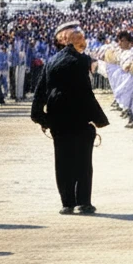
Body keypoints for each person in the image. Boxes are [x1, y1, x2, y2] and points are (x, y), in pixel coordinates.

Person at [30, 21, 110, 215]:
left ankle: (67, 203)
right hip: (79, 119)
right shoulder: (81, 61)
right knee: (83, 162)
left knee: (63, 162)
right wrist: (98, 119)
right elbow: (85, 92)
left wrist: (42, 118)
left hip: (58, 119)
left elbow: (40, 93)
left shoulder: (51, 62)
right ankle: (83, 202)